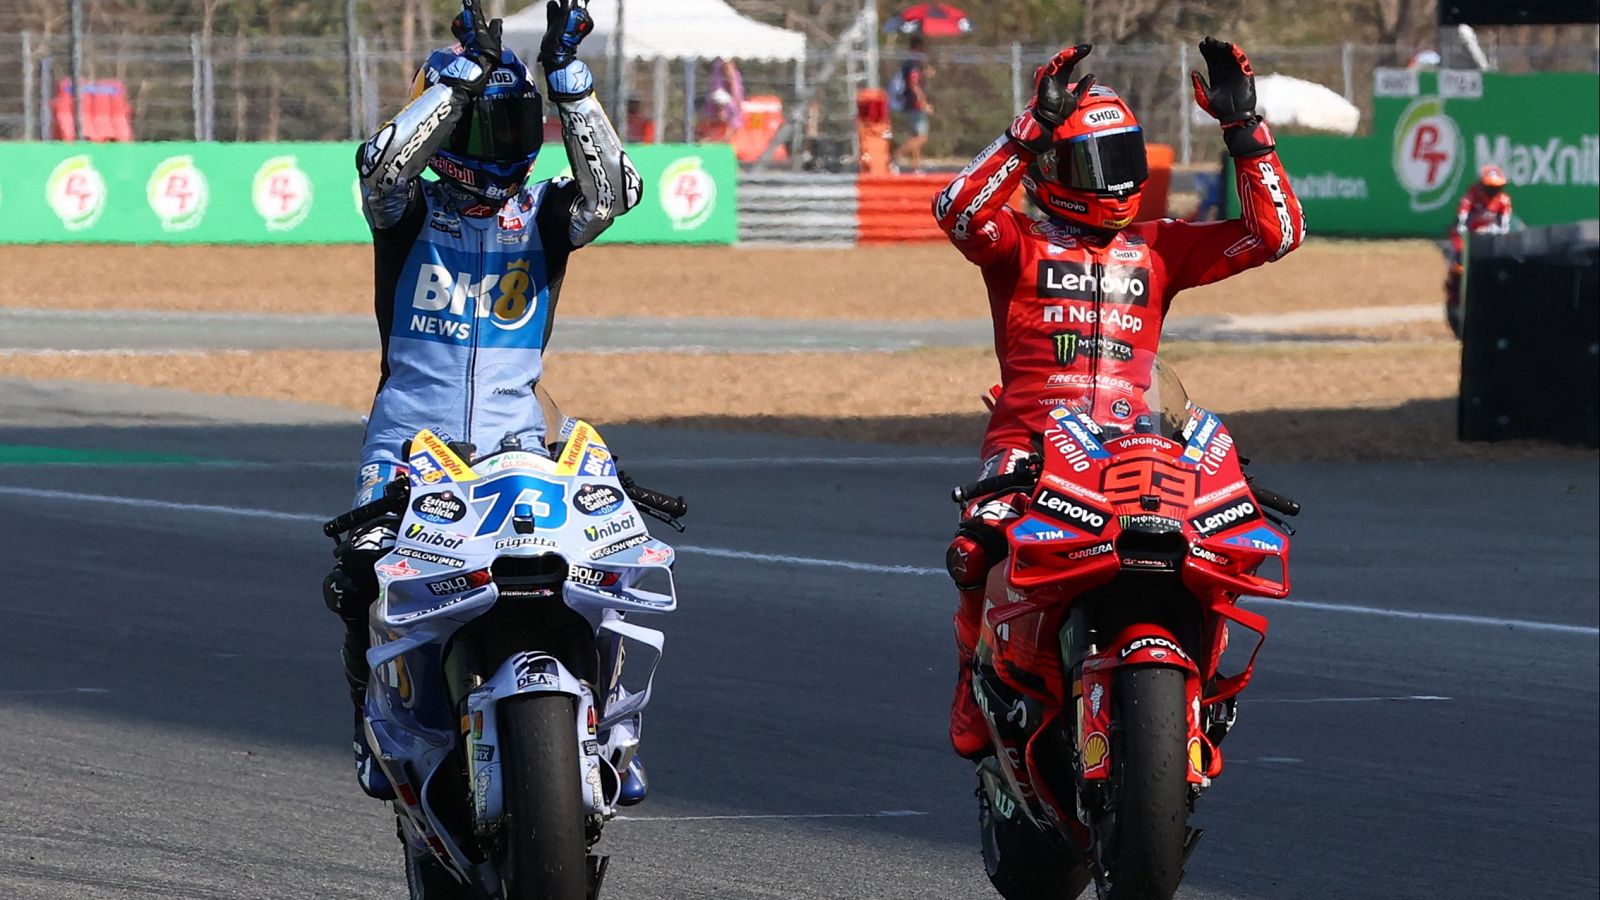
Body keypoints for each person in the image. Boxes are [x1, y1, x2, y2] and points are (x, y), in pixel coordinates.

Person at [931, 39, 1305, 760]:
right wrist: (1026, 131)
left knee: (1217, 548)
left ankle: (1196, 688)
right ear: (1051, 168)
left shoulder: (1160, 248)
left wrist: (1245, 131)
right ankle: (973, 681)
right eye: (1096, 162)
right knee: (974, 552)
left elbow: (1277, 233)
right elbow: (956, 210)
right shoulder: (1018, 243)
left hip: (1139, 442)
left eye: (1126, 157)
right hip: (1032, 443)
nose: (1116, 179)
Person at [324, 0, 639, 800]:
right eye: (483, 126)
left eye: (516, 124)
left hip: (520, 448)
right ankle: (373, 726)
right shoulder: (409, 211)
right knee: (360, 575)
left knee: (601, 571)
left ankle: (607, 737)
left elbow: (616, 193)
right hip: (406, 445)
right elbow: (379, 167)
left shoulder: (542, 216)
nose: (504, 144)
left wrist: (570, 84)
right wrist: (457, 78)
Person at [1444, 164, 1512, 335]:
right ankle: (1455, 294)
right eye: (1490, 188)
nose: (1493, 192)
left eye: (1497, 188)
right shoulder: (1470, 198)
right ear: (1482, 185)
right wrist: (1466, 231)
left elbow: (1505, 227)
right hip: (1467, 244)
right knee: (1457, 269)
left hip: (1490, 244)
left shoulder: (1504, 201)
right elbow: (1461, 221)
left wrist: (1495, 234)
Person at [892, 34, 934, 171]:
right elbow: (913, 84)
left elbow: (916, 79)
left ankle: (916, 166)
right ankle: (895, 157)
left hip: (910, 102)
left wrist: (925, 74)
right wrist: (923, 102)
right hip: (915, 103)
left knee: (915, 135)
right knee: (922, 137)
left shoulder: (912, 63)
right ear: (918, 47)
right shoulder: (912, 63)